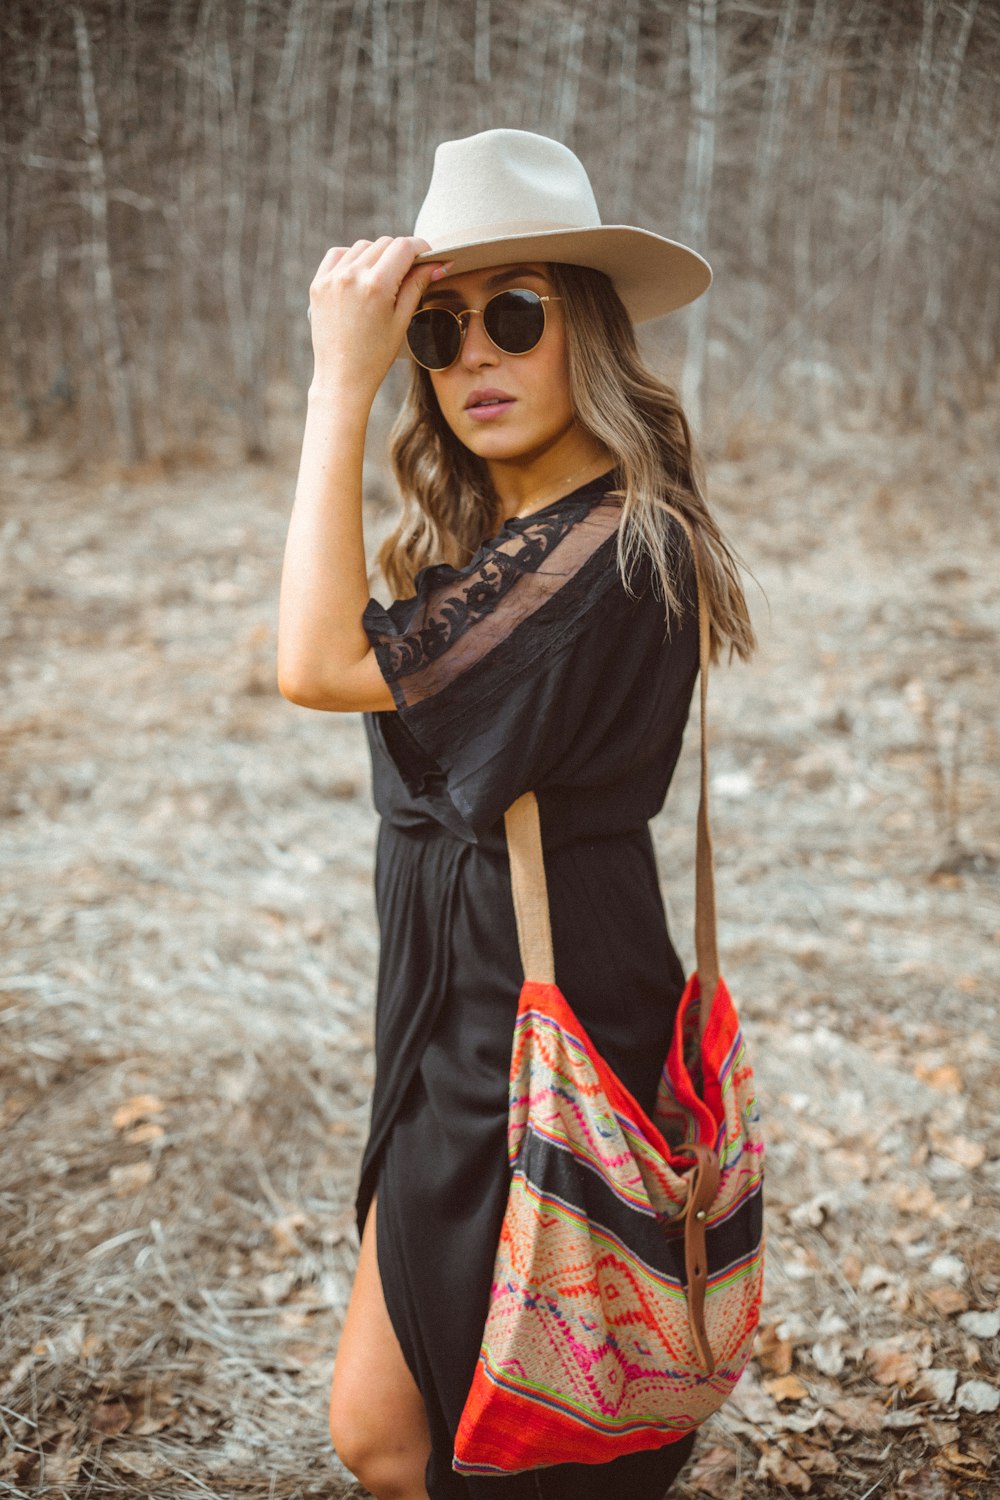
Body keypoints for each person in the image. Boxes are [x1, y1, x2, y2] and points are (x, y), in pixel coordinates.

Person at [278, 129, 757, 1500]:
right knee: (394, 1430)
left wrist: (338, 384)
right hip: (455, 1002)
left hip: (540, 1017)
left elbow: (313, 665)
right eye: (436, 328)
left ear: (584, 333)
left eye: (515, 314)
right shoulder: (523, 543)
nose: (476, 353)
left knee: (486, 1443)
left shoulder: (610, 545)